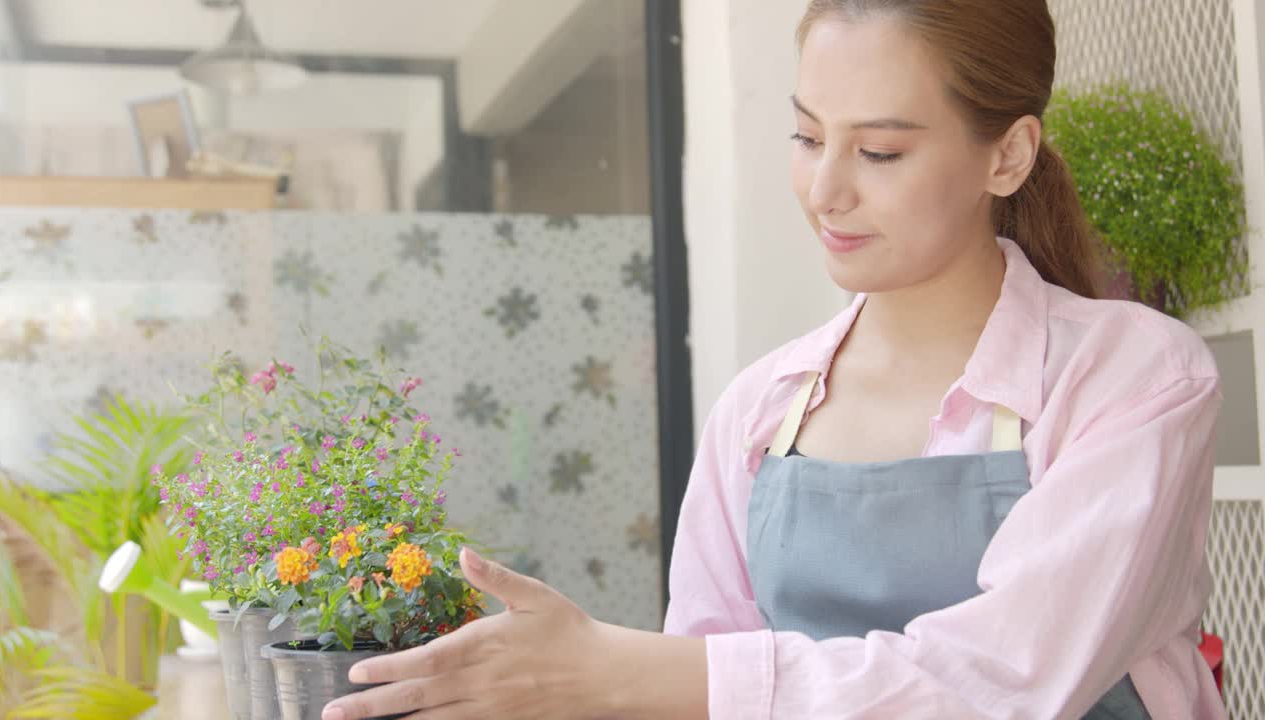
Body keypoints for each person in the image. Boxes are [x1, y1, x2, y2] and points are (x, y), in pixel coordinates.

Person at [319, 1, 1228, 718]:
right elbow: (695, 686)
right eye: (806, 136)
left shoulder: (1133, 377)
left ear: (1009, 154)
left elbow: (1001, 683)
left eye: (879, 150)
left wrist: (618, 670)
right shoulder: (762, 408)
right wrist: (574, 688)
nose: (826, 189)